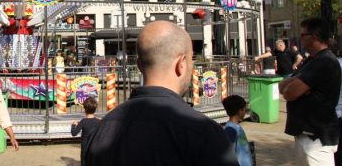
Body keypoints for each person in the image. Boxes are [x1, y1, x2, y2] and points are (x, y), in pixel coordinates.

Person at [84, 21, 238, 165]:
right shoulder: (205, 133)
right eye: (192, 60)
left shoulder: (99, 132)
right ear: (181, 64)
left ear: (139, 65)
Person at [280, 18, 341, 165]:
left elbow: (290, 93)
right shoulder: (311, 60)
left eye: (302, 35)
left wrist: (296, 85)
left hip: (317, 138)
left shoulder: (325, 60)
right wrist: (299, 84)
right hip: (306, 134)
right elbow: (282, 87)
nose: (300, 39)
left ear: (314, 36)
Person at [222, 95, 253, 166]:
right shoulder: (230, 130)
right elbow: (229, 155)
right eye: (245, 109)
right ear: (240, 111)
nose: (245, 111)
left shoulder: (235, 127)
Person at [71, 97, 100, 166]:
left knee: (84, 162)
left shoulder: (83, 121)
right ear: (95, 109)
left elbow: (74, 133)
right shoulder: (98, 122)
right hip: (94, 146)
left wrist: (73, 125)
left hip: (85, 147)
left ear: (85, 109)